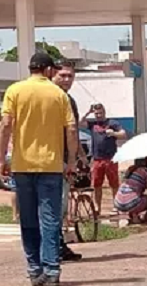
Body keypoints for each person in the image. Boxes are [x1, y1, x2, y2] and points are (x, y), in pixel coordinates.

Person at [0, 53, 79, 286]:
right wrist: (72, 161)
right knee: (50, 219)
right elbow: (71, 129)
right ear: (47, 70)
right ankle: (52, 270)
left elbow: (6, 125)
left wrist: (1, 158)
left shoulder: (15, 91)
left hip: (22, 165)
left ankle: (34, 269)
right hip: (51, 166)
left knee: (28, 219)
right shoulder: (59, 95)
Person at [52, 61, 88, 262]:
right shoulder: (61, 99)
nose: (66, 80)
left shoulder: (67, 100)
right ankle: (54, 247)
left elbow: (73, 132)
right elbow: (71, 131)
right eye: (62, 75)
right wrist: (73, 160)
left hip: (44, 159)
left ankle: (54, 246)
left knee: (54, 206)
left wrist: (81, 155)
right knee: (57, 206)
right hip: (58, 161)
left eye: (70, 76)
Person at [80, 102, 125, 215]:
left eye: (100, 113)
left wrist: (114, 133)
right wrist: (87, 113)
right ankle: (97, 208)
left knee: (114, 184)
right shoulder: (93, 124)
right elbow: (79, 123)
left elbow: (123, 134)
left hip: (111, 159)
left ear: (104, 112)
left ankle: (116, 207)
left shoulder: (112, 123)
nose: (98, 115)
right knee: (97, 185)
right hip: (97, 159)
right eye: (96, 114)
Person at [114, 158, 147, 223]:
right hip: (131, 203)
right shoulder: (146, 171)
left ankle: (131, 215)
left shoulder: (130, 170)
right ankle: (135, 215)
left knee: (136, 196)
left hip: (118, 202)